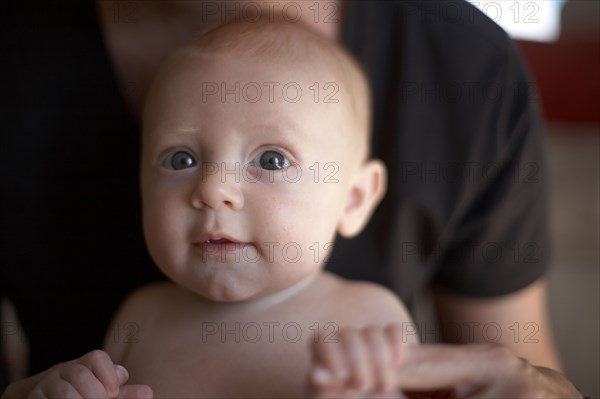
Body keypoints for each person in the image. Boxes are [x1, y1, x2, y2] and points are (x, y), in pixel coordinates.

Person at [0, 1, 585, 398]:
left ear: (355, 199)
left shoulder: (369, 324)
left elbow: (505, 370)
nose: (212, 189)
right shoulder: (138, 320)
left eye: (272, 161)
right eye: (180, 160)